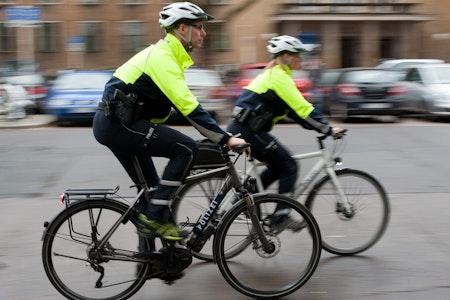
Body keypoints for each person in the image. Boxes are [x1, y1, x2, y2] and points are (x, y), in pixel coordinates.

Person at [93, 2, 247, 241]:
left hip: (118, 125)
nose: (204, 33)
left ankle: (155, 262)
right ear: (182, 28)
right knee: (186, 148)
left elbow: (174, 107)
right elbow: (189, 106)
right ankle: (153, 219)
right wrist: (225, 138)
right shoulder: (162, 57)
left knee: (153, 193)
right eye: (199, 27)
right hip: (118, 126)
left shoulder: (168, 56)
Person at [227, 35, 343, 227]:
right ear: (287, 56)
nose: (301, 59)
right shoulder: (279, 77)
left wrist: (321, 128)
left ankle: (246, 196)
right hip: (247, 131)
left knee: (278, 165)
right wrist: (328, 129)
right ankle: (280, 218)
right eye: (298, 55)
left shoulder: (275, 75)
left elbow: (296, 113)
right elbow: (304, 110)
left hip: (245, 128)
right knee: (289, 166)